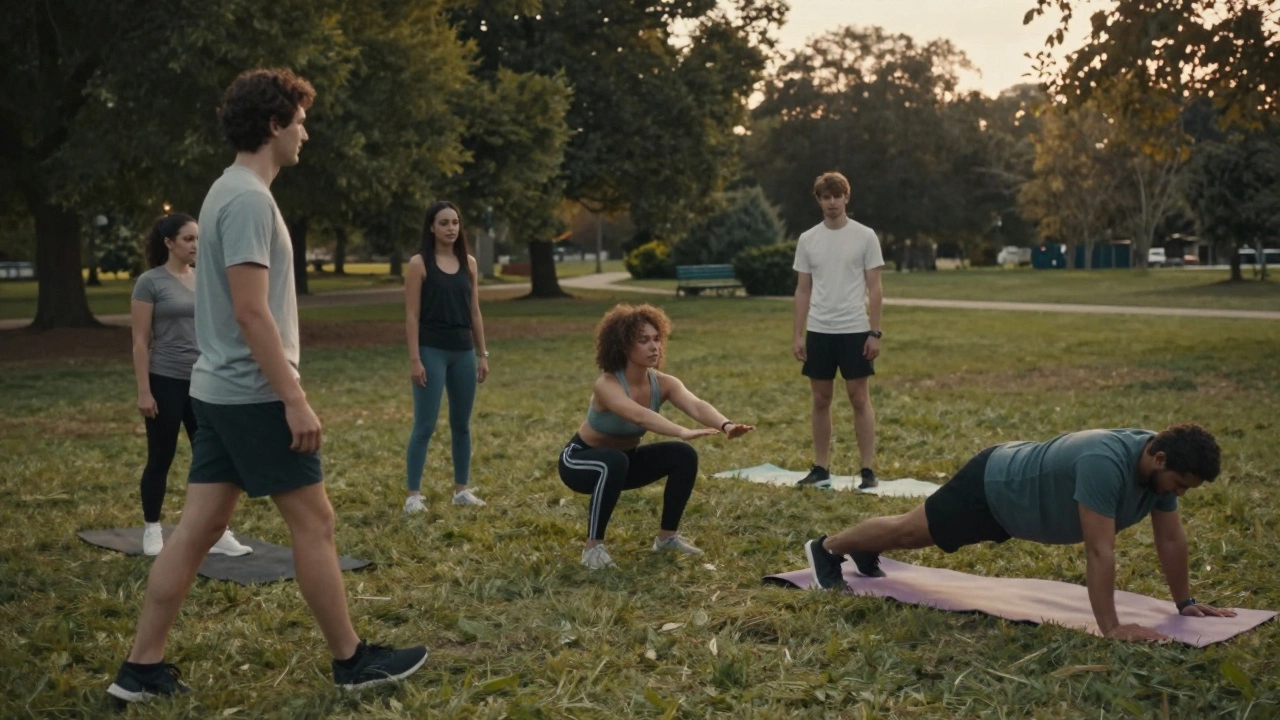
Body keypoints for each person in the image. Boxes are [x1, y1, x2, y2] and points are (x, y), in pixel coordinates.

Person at [107, 68, 427, 705]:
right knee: (316, 524)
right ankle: (352, 660)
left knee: (195, 530)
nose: (306, 132)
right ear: (275, 124)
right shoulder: (249, 199)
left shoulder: (225, 190)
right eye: (301, 120)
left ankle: (139, 671)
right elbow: (253, 312)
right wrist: (294, 397)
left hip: (217, 391)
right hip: (252, 395)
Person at [803, 424, 1239, 642]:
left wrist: (1186, 603)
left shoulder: (1156, 467)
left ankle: (862, 551)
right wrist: (1112, 627)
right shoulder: (1106, 465)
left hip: (1017, 503)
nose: (1178, 495)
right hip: (996, 487)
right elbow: (1100, 552)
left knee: (910, 532)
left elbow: (1171, 539)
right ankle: (828, 549)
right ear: (1160, 459)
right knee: (909, 533)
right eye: (1180, 486)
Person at [558, 303, 754, 569]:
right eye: (644, 341)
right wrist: (681, 430)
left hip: (624, 463)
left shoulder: (663, 383)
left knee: (682, 455)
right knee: (614, 460)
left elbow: (696, 405)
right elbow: (639, 416)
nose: (654, 347)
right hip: (580, 463)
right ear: (623, 346)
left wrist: (726, 425)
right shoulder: (607, 384)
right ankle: (593, 549)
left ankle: (666, 538)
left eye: (657, 339)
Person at [130, 213, 251, 558]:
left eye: (198, 238)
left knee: (212, 459)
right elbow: (140, 341)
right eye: (188, 239)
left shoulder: (206, 280)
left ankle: (217, 532)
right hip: (165, 379)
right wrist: (144, 390)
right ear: (169, 243)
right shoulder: (150, 282)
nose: (195, 245)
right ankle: (153, 529)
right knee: (161, 456)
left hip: (204, 380)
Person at [792, 171, 884, 490]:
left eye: (837, 196)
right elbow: (802, 290)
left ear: (846, 197)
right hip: (820, 330)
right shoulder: (808, 239)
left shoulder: (865, 236)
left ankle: (868, 471)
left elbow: (875, 287)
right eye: (825, 197)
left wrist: (875, 332)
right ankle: (821, 468)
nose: (832, 202)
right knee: (820, 399)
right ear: (818, 200)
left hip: (855, 329)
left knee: (859, 397)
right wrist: (798, 334)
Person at [402, 200, 489, 514]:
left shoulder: (470, 263)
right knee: (424, 425)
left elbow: (475, 312)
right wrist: (415, 359)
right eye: (444, 223)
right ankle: (413, 495)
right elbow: (411, 316)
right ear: (431, 227)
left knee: (461, 425)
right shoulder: (419, 264)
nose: (451, 228)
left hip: (463, 351)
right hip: (431, 351)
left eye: (455, 222)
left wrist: (483, 354)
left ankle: (461, 490)